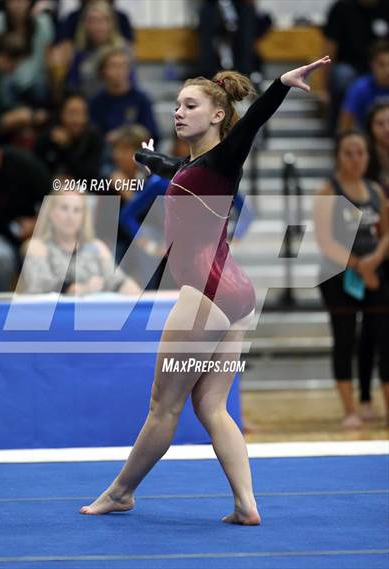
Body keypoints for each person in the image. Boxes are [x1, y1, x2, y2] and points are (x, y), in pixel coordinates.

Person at [79, 56, 331, 524]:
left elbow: (251, 123)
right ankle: (246, 504)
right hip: (235, 292)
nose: (178, 111)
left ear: (217, 115)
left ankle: (119, 492)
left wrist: (278, 84)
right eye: (176, 104)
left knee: (163, 406)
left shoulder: (226, 155)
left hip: (207, 294)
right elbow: (177, 168)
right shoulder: (200, 166)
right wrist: (149, 160)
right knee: (211, 404)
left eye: (189, 105)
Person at [314, 130, 389, 429]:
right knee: (344, 340)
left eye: (361, 153)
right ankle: (350, 409)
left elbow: (385, 235)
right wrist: (359, 265)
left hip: (376, 273)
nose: (356, 159)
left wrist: (375, 261)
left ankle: (381, 404)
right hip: (339, 276)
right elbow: (325, 242)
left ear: (368, 157)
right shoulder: (327, 193)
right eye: (349, 153)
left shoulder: (375, 190)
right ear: (338, 156)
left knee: (383, 339)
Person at [0, 129, 51, 292]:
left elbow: (55, 200)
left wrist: (37, 222)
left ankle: (40, 311)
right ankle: (0, 311)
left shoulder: (23, 164)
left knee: (37, 251)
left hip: (23, 234)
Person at [21, 190, 140, 295]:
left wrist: (130, 288)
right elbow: (39, 285)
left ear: (83, 217)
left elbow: (118, 281)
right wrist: (80, 289)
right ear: (51, 213)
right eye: (64, 208)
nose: (70, 216)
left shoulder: (97, 247)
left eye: (77, 210)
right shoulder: (37, 246)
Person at [357, 102, 389, 420]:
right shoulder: (363, 165)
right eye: (381, 123)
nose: (386, 129)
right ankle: (365, 397)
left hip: (382, 249)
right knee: (371, 329)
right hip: (369, 254)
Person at [322, 0, 389, 132]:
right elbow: (329, 48)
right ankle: (333, 128)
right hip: (350, 67)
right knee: (343, 76)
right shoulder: (342, 7)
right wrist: (323, 89)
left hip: (382, 59)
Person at [0, 0, 55, 106]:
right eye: (12, 1)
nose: (17, 5)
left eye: (21, 1)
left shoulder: (42, 22)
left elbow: (48, 58)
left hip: (35, 80)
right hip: (5, 78)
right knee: (6, 86)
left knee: (39, 88)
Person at [89, 45, 160, 144]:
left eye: (123, 66)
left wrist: (131, 136)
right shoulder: (96, 103)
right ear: (102, 71)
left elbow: (153, 134)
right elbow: (93, 137)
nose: (119, 71)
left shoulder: (142, 100)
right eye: (113, 66)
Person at [34, 92, 103, 180]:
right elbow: (37, 173)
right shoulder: (47, 137)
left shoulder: (93, 139)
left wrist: (68, 147)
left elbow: (89, 176)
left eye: (82, 113)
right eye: (72, 113)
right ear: (61, 114)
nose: (77, 119)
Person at [64, 0, 126, 98]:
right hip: (87, 104)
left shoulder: (122, 50)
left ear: (110, 24)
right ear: (85, 25)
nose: (96, 27)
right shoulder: (80, 52)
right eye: (92, 21)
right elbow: (72, 85)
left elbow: (130, 84)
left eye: (101, 21)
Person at [339, 40, 389, 131]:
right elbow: (345, 126)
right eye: (382, 65)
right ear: (372, 64)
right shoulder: (359, 88)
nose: (387, 71)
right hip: (367, 140)